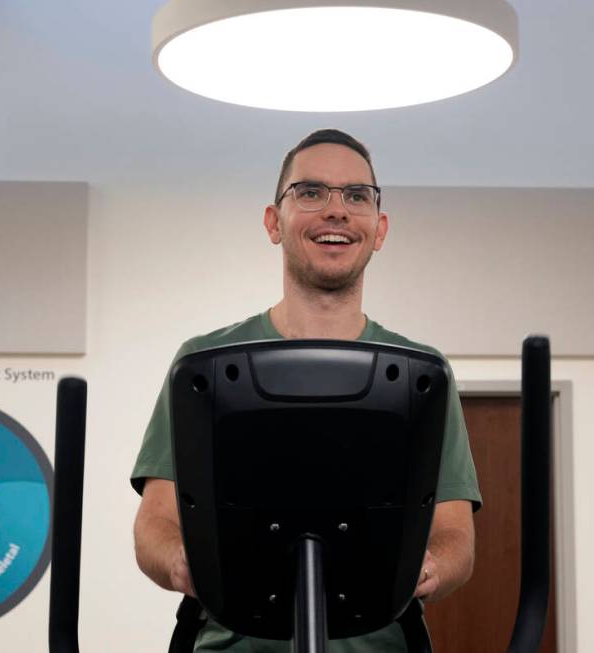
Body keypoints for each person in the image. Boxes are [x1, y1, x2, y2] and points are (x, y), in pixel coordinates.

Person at [131, 129, 482, 652]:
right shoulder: (203, 364)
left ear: (379, 229)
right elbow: (155, 522)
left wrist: (427, 568)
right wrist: (187, 562)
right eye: (311, 192)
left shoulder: (420, 375)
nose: (336, 211)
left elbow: (456, 535)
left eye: (357, 196)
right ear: (274, 222)